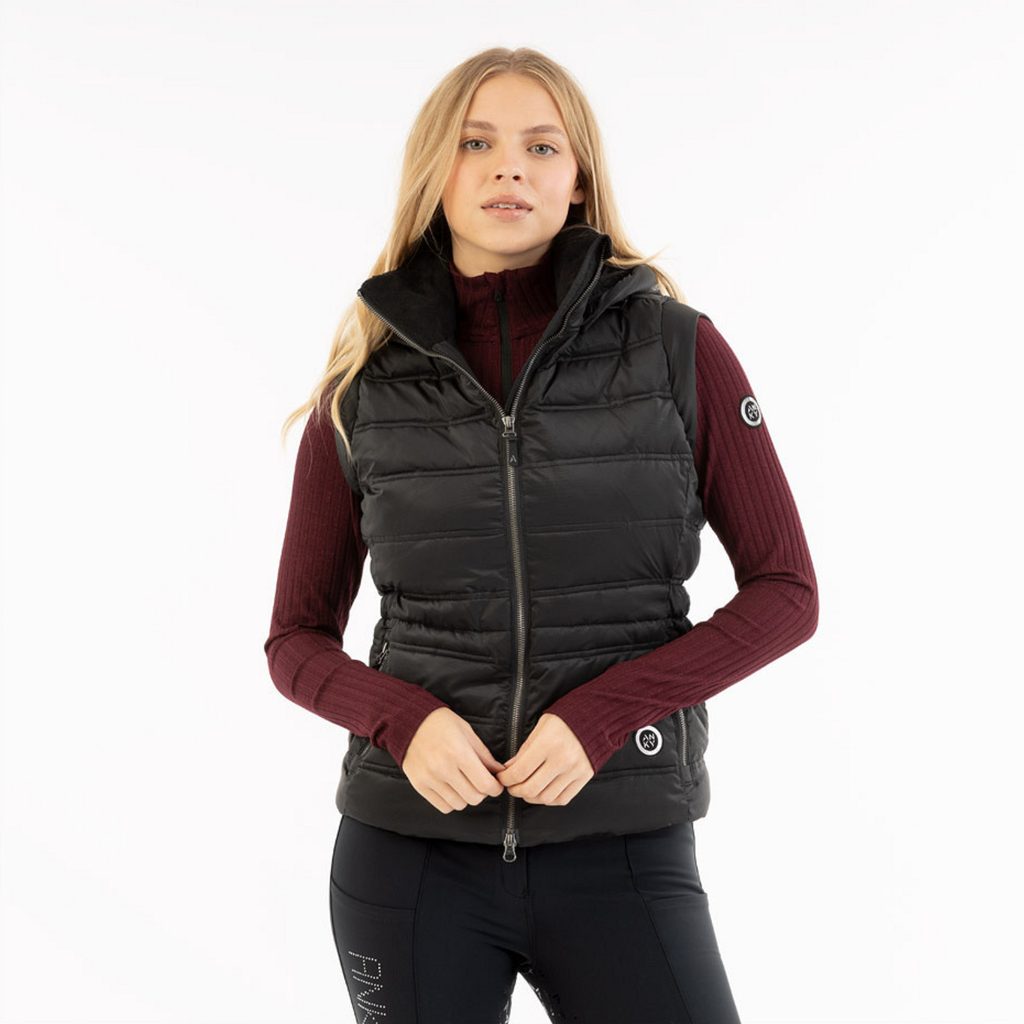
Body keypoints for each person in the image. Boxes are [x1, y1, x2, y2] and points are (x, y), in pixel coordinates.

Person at [264, 47, 818, 1024]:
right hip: (410, 859)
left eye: (540, 146)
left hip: (622, 846)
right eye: (476, 143)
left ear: (579, 179)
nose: (508, 168)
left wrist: (603, 715)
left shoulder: (675, 348)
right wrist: (402, 720)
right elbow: (294, 641)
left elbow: (786, 593)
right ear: (435, 172)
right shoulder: (363, 389)